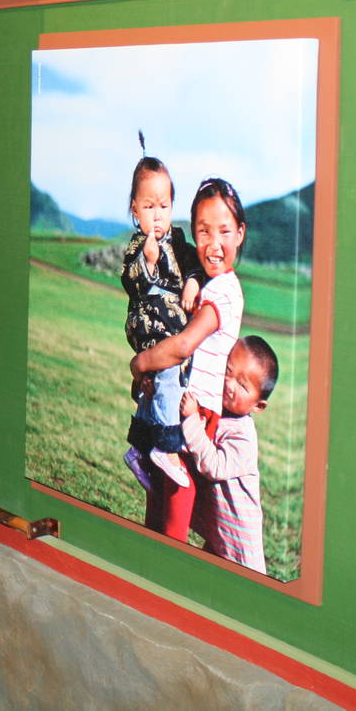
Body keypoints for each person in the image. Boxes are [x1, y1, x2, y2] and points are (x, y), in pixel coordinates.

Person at [129, 177, 248, 542]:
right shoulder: (208, 283)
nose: (213, 244)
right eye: (203, 231)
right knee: (161, 487)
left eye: (224, 231)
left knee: (177, 494)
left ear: (240, 234)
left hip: (198, 410)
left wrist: (141, 364)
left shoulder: (225, 293)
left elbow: (183, 345)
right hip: (178, 402)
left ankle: (168, 558)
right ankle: (153, 555)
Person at [119, 152, 201, 491]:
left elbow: (192, 262)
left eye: (164, 206)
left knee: (153, 392)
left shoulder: (179, 239)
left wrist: (193, 280)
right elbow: (130, 280)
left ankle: (138, 448)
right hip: (150, 327)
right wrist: (148, 262)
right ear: (135, 211)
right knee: (167, 377)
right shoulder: (138, 245)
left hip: (172, 326)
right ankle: (166, 447)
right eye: (149, 207)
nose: (157, 215)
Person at [178, 334, 277, 572]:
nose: (229, 384)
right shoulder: (219, 410)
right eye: (228, 371)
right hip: (220, 537)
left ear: (258, 405)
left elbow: (214, 466)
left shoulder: (243, 436)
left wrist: (191, 419)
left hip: (241, 549)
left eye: (242, 385)